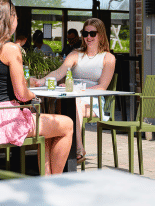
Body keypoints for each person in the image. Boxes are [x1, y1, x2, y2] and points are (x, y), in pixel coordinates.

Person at [0, 0, 73, 175]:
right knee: (67, 124)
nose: (17, 21)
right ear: (9, 19)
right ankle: (56, 180)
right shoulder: (11, 49)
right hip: (7, 121)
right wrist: (33, 95)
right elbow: (21, 94)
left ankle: (47, 177)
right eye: (16, 17)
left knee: (50, 127)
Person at [32, 18, 116, 164]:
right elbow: (59, 72)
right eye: (85, 33)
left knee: (72, 103)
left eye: (92, 33)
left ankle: (77, 147)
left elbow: (102, 87)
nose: (88, 37)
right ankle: (58, 154)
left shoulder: (108, 58)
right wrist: (41, 81)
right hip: (71, 97)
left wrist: (77, 89)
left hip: (93, 101)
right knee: (60, 105)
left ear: (101, 35)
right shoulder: (76, 54)